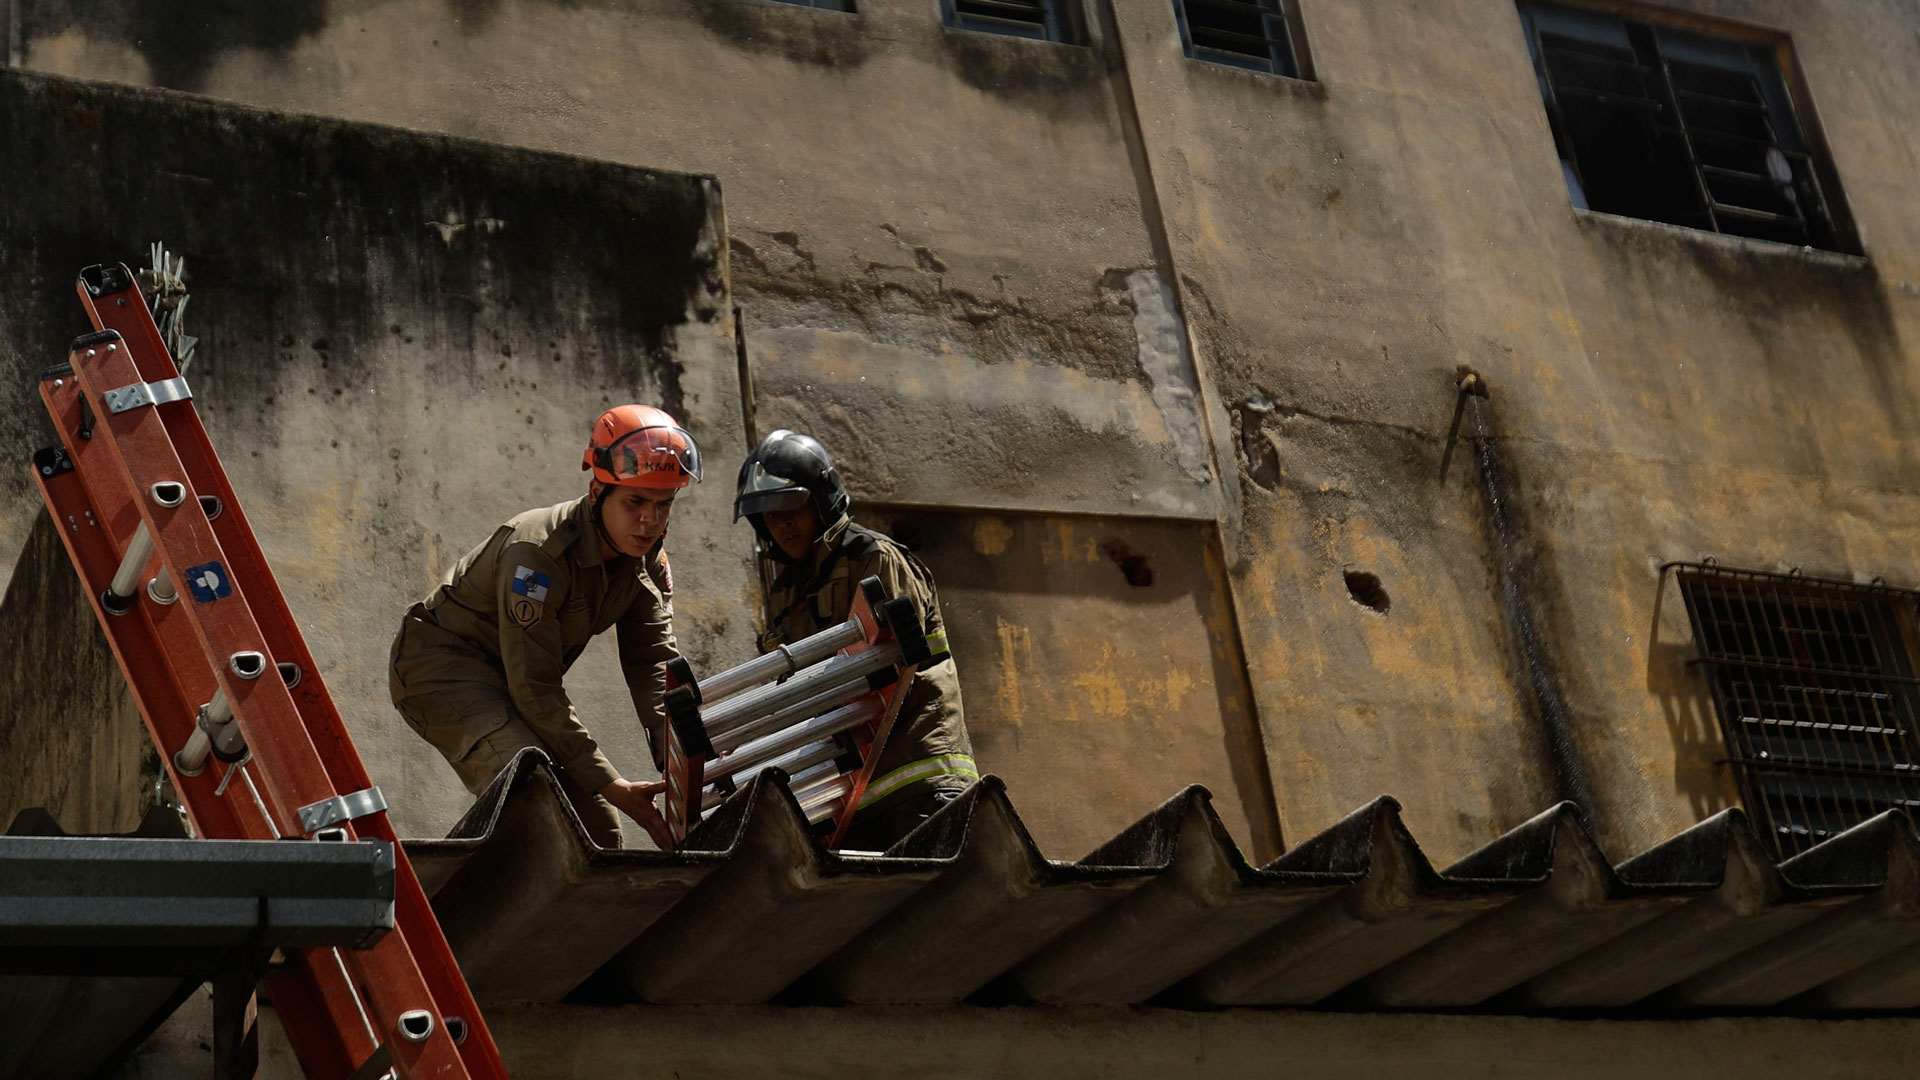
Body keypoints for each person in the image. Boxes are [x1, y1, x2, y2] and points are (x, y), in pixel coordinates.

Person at [389, 404, 698, 850]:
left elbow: (652, 662)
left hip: (512, 680)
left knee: (597, 830)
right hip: (441, 671)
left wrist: (683, 755)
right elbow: (534, 687)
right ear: (597, 492)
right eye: (635, 502)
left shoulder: (645, 555)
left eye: (663, 504)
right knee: (541, 809)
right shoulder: (537, 554)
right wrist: (612, 783)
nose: (650, 521)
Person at [734, 430, 977, 850]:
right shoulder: (785, 591)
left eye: (791, 507)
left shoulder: (874, 557)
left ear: (822, 499)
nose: (781, 523)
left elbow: (893, 667)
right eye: (768, 515)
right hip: (847, 795)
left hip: (917, 777)